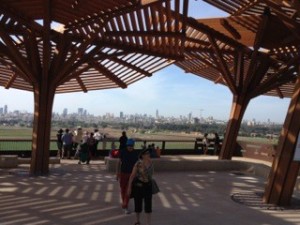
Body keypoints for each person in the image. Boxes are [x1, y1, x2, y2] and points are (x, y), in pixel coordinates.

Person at [127, 148, 154, 225]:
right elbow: (132, 176)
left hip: (148, 185)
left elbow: (152, 174)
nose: (149, 155)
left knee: (148, 204)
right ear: (143, 155)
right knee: (138, 203)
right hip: (139, 186)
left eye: (149, 153)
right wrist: (129, 187)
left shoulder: (151, 162)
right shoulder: (138, 163)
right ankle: (137, 221)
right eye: (147, 153)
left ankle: (148, 223)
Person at [116, 138, 138, 214]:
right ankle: (125, 203)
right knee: (123, 189)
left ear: (133, 146)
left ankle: (125, 205)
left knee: (129, 189)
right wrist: (117, 173)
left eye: (131, 146)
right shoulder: (122, 152)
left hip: (132, 174)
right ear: (126, 145)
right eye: (129, 146)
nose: (130, 147)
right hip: (123, 173)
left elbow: (137, 165)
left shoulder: (136, 153)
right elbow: (119, 163)